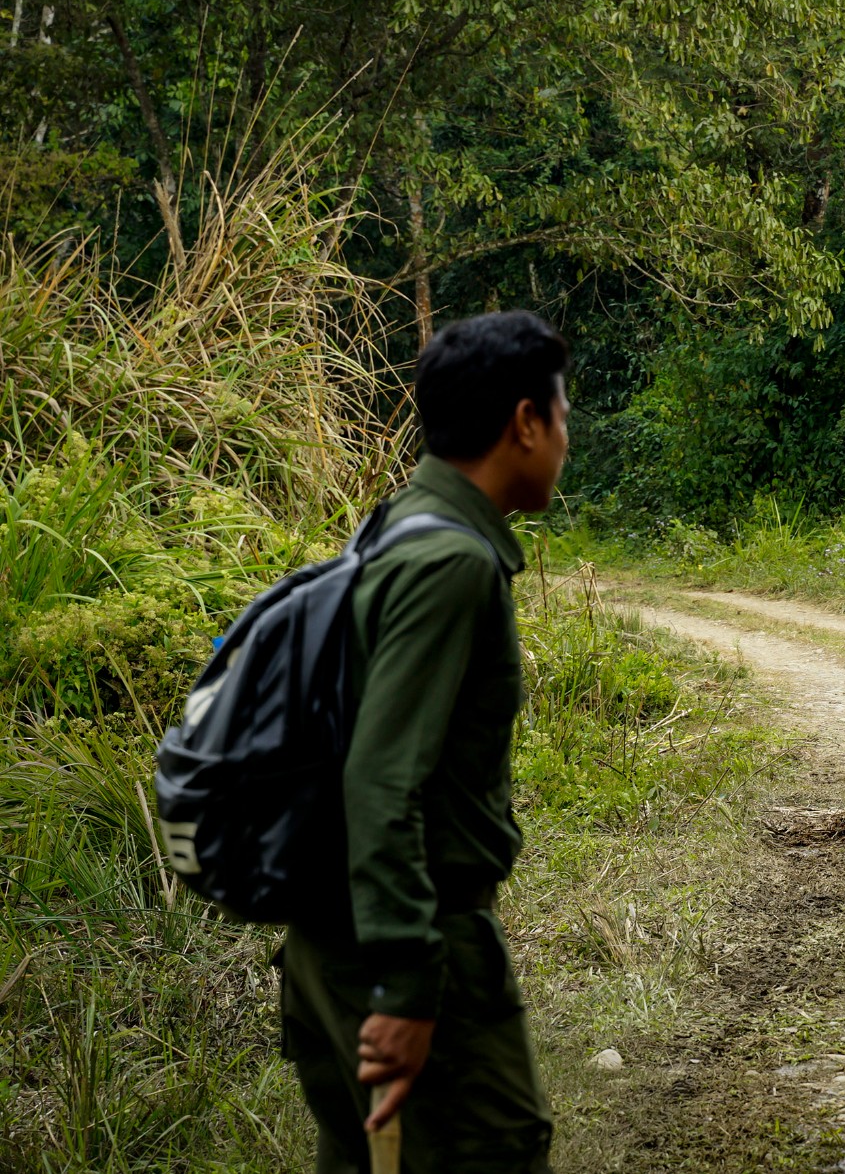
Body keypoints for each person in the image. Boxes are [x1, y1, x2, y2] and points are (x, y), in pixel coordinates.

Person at [279, 312, 565, 1174]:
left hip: (332, 939)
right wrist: (407, 985)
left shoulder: (394, 526)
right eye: (563, 413)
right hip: (406, 944)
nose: (565, 437)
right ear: (524, 422)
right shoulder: (451, 563)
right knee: (497, 1154)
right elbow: (379, 778)